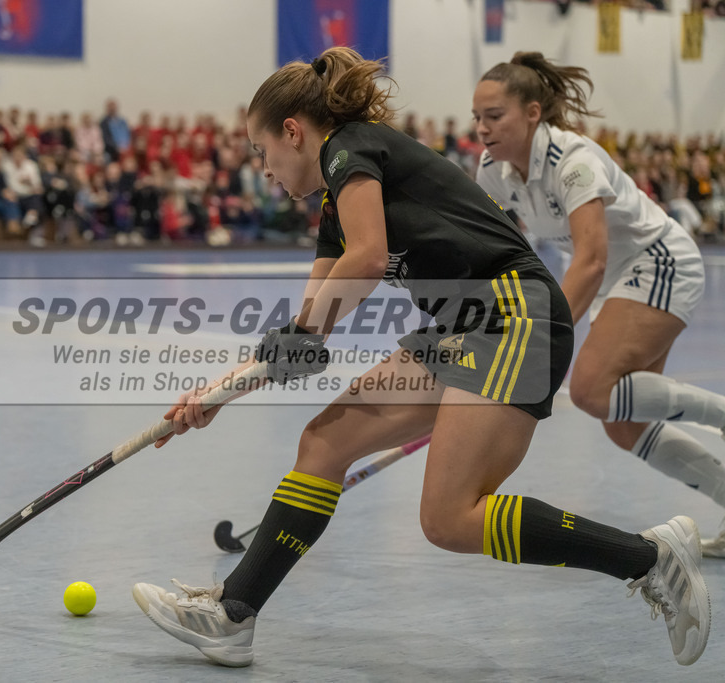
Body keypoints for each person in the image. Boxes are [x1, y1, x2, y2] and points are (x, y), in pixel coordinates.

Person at [131, 47, 710, 668]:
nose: (264, 169)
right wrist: (218, 394)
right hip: (463, 326)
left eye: (261, 150)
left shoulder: (349, 148)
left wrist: (295, 335)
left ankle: (649, 559)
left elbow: (368, 260)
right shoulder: (334, 204)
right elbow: (306, 339)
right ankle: (233, 614)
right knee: (323, 444)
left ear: (292, 132)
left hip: (515, 315)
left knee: (449, 518)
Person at [472, 53, 725, 554]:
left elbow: (590, 259)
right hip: (619, 280)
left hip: (659, 262)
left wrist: (540, 338)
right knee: (625, 425)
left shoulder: (574, 160)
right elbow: (494, 255)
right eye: (477, 117)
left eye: (494, 116)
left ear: (532, 113)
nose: (481, 128)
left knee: (591, 389)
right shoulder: (492, 172)